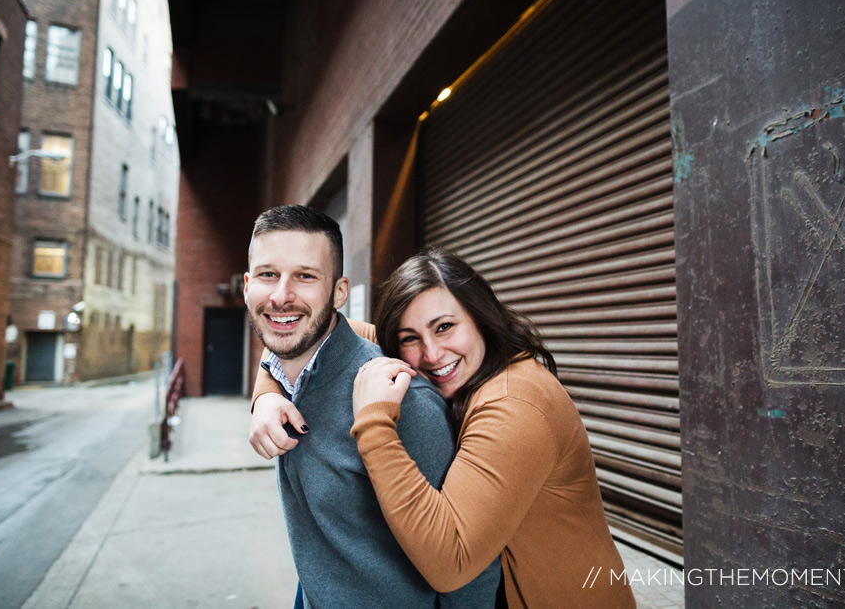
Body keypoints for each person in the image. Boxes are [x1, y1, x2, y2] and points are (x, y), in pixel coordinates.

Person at [254, 247, 637, 608]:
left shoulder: (515, 404)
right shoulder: (466, 368)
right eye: (410, 339)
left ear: (482, 319)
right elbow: (303, 331)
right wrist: (267, 395)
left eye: (445, 327)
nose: (432, 354)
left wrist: (374, 422)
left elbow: (451, 563)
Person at [243, 206, 499, 609]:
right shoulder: (287, 375)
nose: (280, 295)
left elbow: (471, 570)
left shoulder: (402, 400)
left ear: (340, 292)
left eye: (306, 276)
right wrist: (266, 393)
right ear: (246, 286)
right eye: (267, 274)